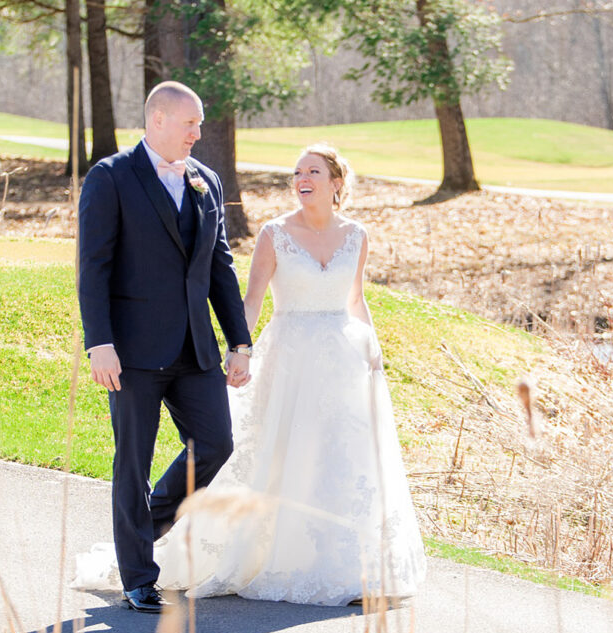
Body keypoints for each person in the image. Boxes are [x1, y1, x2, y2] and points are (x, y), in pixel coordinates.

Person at [73, 144, 426, 606]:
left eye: (313, 171)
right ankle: (165, 545)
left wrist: (372, 349)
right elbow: (251, 297)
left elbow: (355, 299)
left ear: (336, 182)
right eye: (297, 171)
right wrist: (241, 346)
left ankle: (343, 569)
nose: (302, 177)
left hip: (342, 362)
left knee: (340, 461)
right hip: (289, 357)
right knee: (276, 454)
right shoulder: (274, 233)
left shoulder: (357, 235)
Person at [77, 81, 254, 613]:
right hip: (130, 350)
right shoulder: (110, 177)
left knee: (216, 442)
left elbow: (219, 266)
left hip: (194, 348)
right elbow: (93, 268)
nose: (199, 134)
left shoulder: (207, 182)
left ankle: (143, 526)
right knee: (131, 459)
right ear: (157, 120)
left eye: (199, 124)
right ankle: (137, 577)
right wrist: (99, 343)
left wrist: (239, 340)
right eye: (190, 124)